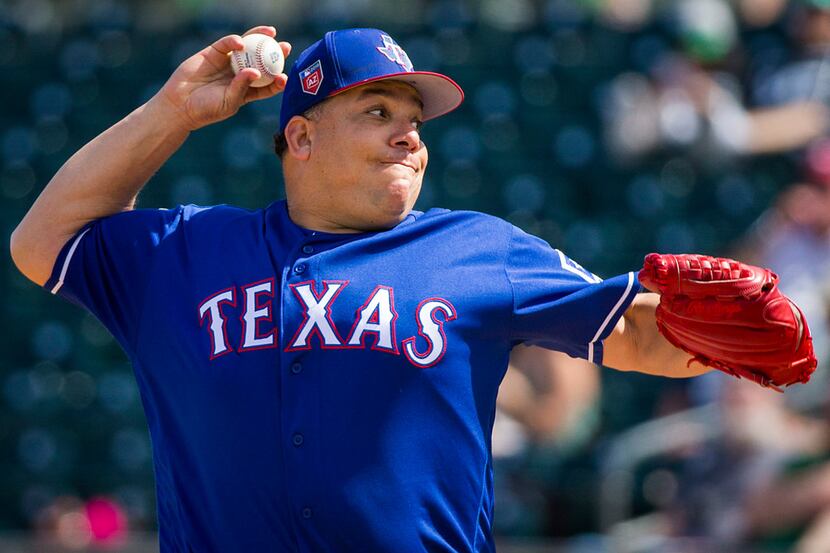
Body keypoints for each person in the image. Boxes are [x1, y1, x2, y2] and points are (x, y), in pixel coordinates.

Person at [10, 25, 710, 552]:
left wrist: (726, 335)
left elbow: (636, 333)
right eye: (379, 111)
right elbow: (40, 242)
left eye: (414, 120)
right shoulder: (188, 250)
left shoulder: (478, 247)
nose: (409, 134)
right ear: (303, 138)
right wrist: (175, 110)